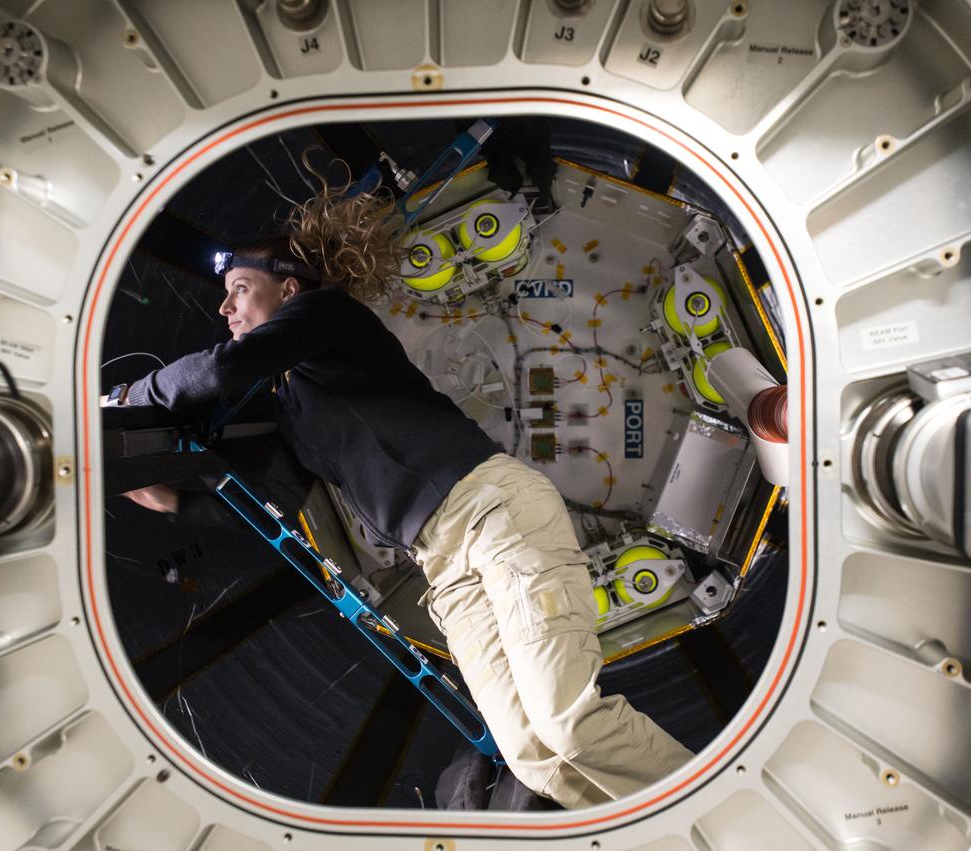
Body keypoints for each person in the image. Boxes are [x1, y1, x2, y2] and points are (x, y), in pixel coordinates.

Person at [111, 181, 693, 809]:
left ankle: (726, 821)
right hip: (444, 565)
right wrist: (177, 504)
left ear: (290, 289)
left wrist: (127, 400)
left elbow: (225, 367)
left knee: (566, 724)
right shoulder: (298, 403)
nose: (225, 309)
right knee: (533, 758)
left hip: (489, 513)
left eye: (239, 290)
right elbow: (281, 489)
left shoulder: (330, 316)